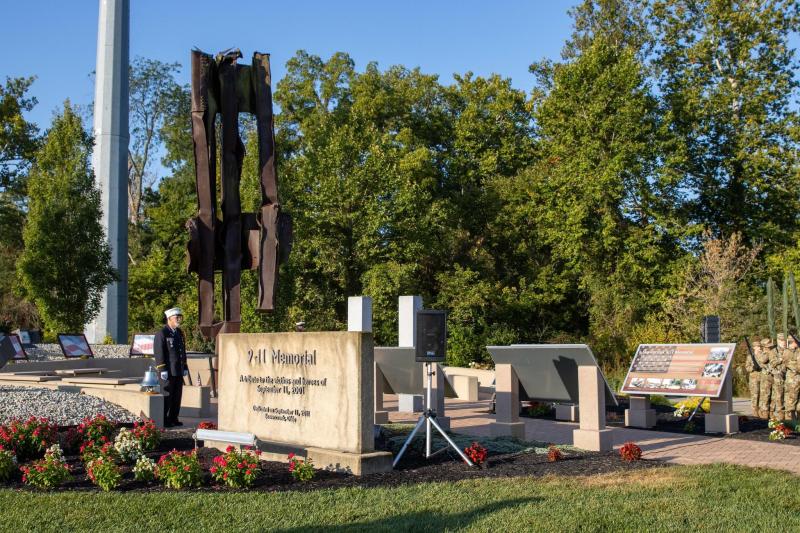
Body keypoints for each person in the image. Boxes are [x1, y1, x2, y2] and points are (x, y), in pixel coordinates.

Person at [154, 307, 188, 427]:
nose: (179, 319)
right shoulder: (162, 333)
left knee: (177, 396)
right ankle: (164, 419)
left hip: (177, 370)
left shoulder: (179, 333)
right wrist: (162, 368)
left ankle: (174, 418)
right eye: (176, 317)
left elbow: (182, 351)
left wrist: (185, 366)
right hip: (167, 371)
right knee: (167, 395)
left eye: (180, 317)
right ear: (169, 319)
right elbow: (159, 352)